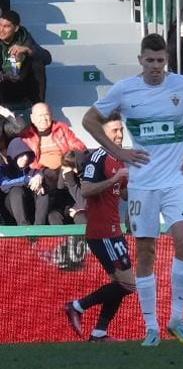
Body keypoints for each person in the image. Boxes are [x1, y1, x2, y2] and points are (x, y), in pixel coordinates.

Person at [82, 33, 183, 347]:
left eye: (161, 60)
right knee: (145, 252)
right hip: (142, 185)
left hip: (177, 180)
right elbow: (89, 119)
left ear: (167, 61)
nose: (156, 66)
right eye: (150, 60)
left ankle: (177, 317)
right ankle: (151, 327)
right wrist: (117, 152)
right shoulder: (124, 90)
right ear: (140, 60)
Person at [62, 113, 134, 342]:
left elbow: (122, 193)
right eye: (114, 131)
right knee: (129, 284)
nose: (120, 135)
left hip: (114, 230)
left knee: (122, 284)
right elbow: (85, 190)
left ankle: (99, 332)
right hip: (102, 232)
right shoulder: (98, 158)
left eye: (121, 130)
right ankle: (77, 306)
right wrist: (115, 180)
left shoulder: (119, 159)